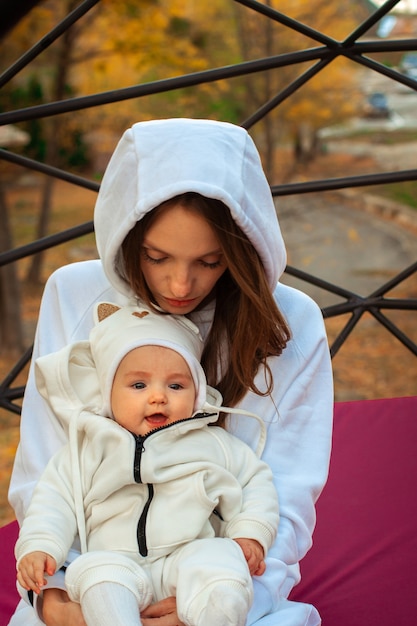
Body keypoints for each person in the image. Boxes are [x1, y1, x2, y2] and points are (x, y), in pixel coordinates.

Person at [8, 118, 333, 626]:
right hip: (88, 582)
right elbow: (46, 470)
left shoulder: (293, 321)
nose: (181, 284)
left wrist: (216, 603)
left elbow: (285, 491)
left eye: (211, 260)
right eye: (156, 257)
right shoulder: (73, 294)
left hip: (220, 582)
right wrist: (54, 601)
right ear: (127, 234)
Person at [15, 302, 279, 626]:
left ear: (197, 394)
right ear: (109, 393)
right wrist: (41, 547)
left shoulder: (215, 444)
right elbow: (53, 501)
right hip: (115, 559)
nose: (158, 397)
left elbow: (255, 483)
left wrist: (250, 534)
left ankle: (215, 616)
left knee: (222, 561)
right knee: (95, 573)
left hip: (187, 556)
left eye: (176, 385)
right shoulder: (86, 449)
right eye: (139, 385)